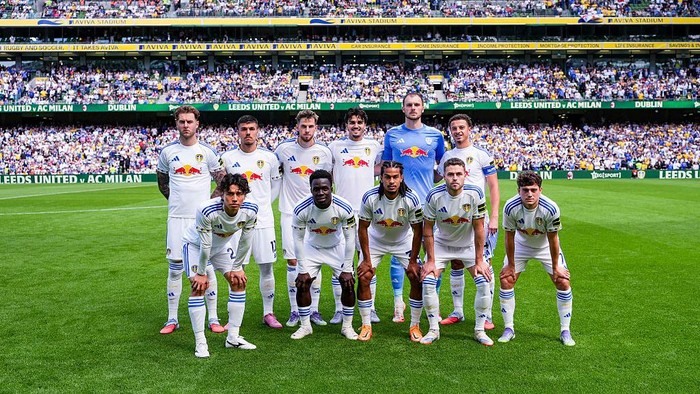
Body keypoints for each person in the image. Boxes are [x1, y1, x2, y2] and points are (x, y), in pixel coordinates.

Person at [156, 105, 226, 335]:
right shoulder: (167, 152)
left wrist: (207, 204)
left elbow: (222, 181)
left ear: (197, 124)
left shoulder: (207, 152)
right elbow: (162, 183)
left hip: (201, 221)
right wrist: (176, 201)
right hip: (176, 218)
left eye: (190, 121)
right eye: (182, 121)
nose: (186, 125)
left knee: (208, 268)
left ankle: (213, 318)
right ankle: (172, 318)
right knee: (175, 267)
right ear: (176, 124)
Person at [382, 92, 445, 323]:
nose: (413, 108)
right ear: (403, 108)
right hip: (399, 203)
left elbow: (443, 168)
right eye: (409, 104)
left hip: (428, 204)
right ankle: (399, 303)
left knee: (432, 254)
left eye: (416, 104)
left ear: (423, 108)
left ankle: (433, 303)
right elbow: (387, 168)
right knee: (400, 253)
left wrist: (430, 181)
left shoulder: (435, 135)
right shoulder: (392, 135)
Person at [182, 174, 258, 357]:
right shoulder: (207, 210)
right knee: (199, 286)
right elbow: (205, 245)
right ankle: (200, 342)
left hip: (221, 246)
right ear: (222, 194)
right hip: (195, 246)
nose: (234, 198)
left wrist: (238, 267)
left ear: (245, 195)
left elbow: (246, 241)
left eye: (239, 194)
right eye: (230, 193)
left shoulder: (251, 210)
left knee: (238, 282)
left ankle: (233, 337)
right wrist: (201, 273)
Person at [420, 158, 493, 346]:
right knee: (428, 280)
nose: (454, 178)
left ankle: (479, 330)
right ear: (443, 176)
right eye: (450, 174)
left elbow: (479, 228)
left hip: (468, 246)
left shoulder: (475, 193)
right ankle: (433, 330)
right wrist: (430, 260)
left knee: (485, 281)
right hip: (442, 244)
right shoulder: (433, 195)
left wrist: (479, 259)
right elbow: (427, 230)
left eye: (458, 174)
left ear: (465, 175)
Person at [437, 114, 500, 330]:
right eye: (453, 128)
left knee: (484, 265)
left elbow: (493, 187)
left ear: (469, 129)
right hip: (454, 221)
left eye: (461, 127)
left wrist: (493, 216)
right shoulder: (447, 156)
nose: (457, 131)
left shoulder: (481, 155)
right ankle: (457, 311)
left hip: (478, 220)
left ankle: (488, 315)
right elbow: (440, 183)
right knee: (456, 262)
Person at [498, 171, 575, 346]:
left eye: (533, 189)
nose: (529, 194)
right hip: (521, 245)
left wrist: (556, 266)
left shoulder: (550, 208)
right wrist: (510, 264)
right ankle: (509, 328)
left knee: (563, 281)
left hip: (545, 246)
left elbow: (553, 238)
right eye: (525, 190)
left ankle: (565, 330)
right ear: (519, 191)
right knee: (506, 280)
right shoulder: (510, 207)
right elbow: (509, 236)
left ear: (540, 189)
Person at [221, 115, 283, 329]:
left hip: (263, 221)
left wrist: (262, 205)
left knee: (267, 268)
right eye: (244, 129)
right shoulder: (228, 158)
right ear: (237, 131)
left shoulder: (269, 158)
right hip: (235, 224)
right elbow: (223, 189)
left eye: (252, 129)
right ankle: (233, 317)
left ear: (258, 131)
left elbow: (276, 186)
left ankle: (269, 313)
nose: (248, 132)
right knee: (235, 268)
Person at [275, 110, 333, 327]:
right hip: (290, 212)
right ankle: (295, 311)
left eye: (310, 126)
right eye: (303, 126)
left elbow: (327, 182)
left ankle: (314, 309)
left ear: (315, 127)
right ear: (297, 127)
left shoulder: (324, 152)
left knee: (315, 261)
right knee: (293, 261)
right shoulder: (283, 149)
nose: (307, 130)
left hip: (316, 214)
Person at [356, 161, 424, 342]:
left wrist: (413, 260)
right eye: (387, 177)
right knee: (364, 275)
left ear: (401, 178)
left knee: (416, 276)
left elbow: (418, 230)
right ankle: (366, 324)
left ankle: (414, 325)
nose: (391, 181)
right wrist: (366, 260)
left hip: (403, 241)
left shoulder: (411, 198)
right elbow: (362, 228)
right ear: (381, 178)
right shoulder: (370, 197)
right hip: (375, 240)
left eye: (395, 177)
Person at [328, 107, 382, 325]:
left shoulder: (374, 145)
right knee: (340, 262)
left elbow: (380, 168)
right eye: (352, 122)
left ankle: (371, 307)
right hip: (341, 211)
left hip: (367, 213)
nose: (356, 126)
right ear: (346, 125)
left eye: (359, 122)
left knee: (367, 261)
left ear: (365, 125)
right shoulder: (335, 147)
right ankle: (340, 308)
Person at [289, 170, 358, 340]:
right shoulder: (301, 209)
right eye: (316, 189)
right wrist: (303, 268)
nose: (321, 193)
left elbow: (350, 239)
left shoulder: (344, 207)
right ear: (311, 189)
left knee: (348, 283)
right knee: (303, 283)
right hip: (312, 247)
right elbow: (297, 240)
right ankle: (305, 326)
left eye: (325, 189)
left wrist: (348, 268)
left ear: (331, 188)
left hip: (337, 246)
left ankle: (347, 327)